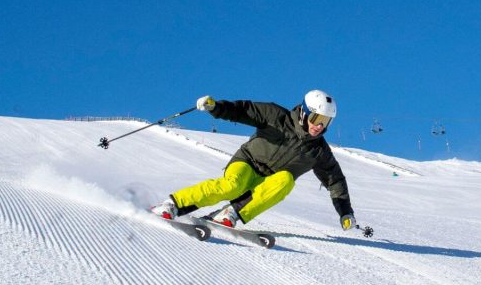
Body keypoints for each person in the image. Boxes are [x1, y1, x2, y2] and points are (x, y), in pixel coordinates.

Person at [152, 90, 357, 231]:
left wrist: (345, 213)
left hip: (266, 182)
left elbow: (334, 180)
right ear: (304, 112)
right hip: (247, 163)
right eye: (316, 119)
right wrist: (216, 107)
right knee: (233, 185)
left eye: (325, 121)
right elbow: (244, 110)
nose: (319, 126)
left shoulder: (318, 151)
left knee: (286, 180)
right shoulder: (276, 116)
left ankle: (230, 213)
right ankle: (173, 204)